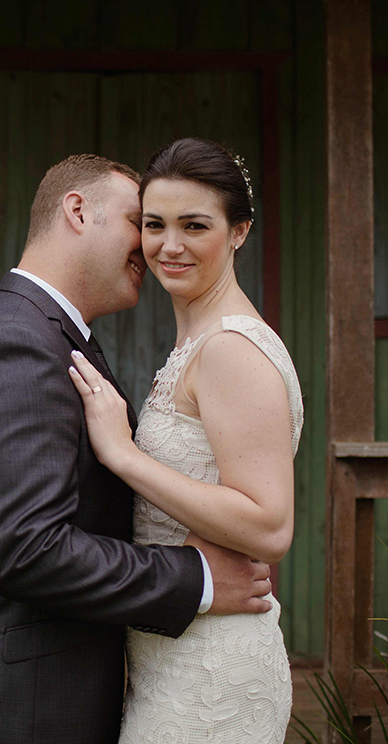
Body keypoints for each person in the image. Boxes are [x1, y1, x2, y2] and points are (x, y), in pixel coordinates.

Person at [0, 154, 276, 744]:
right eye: (138, 222)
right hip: (0, 714)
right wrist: (195, 578)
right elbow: (25, 548)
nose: (149, 246)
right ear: (77, 211)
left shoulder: (53, 336)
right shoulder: (16, 344)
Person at [67, 137, 302, 744]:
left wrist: (122, 455)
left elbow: (269, 525)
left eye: (194, 225)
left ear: (238, 232)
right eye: (154, 224)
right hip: (172, 657)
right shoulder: (196, 344)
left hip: (214, 676)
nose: (169, 246)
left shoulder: (230, 349)